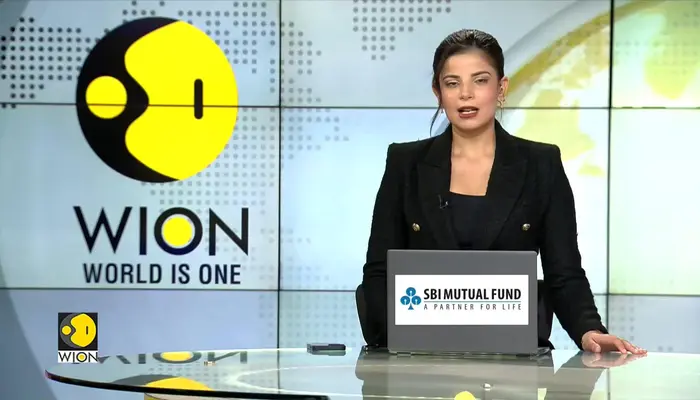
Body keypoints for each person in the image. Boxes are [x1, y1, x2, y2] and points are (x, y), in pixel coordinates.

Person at [361, 29, 646, 355]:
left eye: (480, 81)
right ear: (438, 92)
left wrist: (589, 330)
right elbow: (379, 271)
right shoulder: (405, 164)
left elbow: (564, 272)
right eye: (452, 83)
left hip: (512, 358)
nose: (465, 94)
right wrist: (403, 340)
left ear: (501, 88)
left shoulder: (541, 165)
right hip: (420, 356)